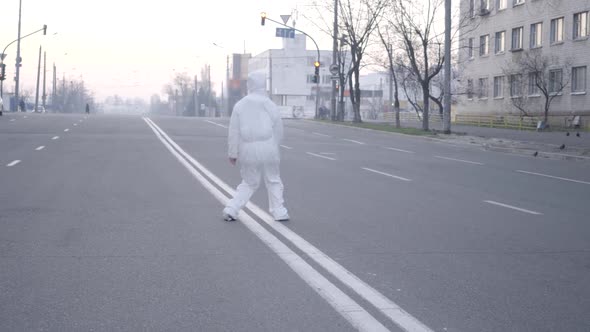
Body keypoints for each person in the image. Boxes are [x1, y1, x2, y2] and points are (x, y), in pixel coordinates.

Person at [222, 71, 289, 222]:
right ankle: (279, 212)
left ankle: (232, 208)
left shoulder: (240, 105)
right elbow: (278, 129)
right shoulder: (269, 104)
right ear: (263, 85)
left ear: (249, 86)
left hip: (248, 149)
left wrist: (233, 153)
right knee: (273, 179)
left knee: (249, 181)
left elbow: (234, 132)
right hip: (268, 147)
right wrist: (275, 145)